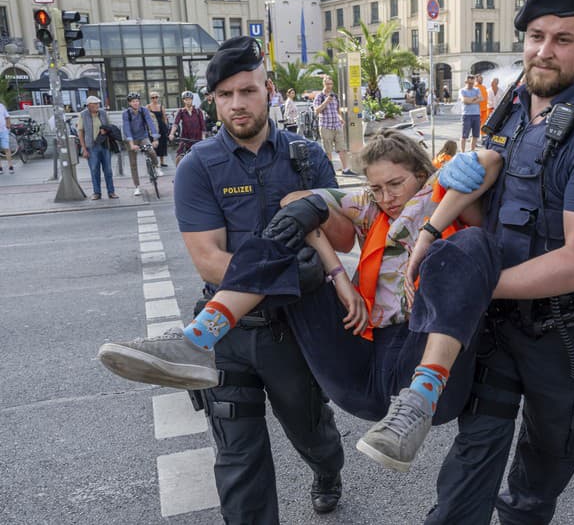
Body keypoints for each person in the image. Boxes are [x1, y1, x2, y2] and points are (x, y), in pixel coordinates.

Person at [98, 128, 502, 473]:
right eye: (377, 187)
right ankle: (199, 338)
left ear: (420, 173)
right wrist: (338, 275)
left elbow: (489, 160)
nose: (387, 196)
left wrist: (427, 236)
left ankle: (419, 399)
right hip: (364, 366)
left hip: (424, 358)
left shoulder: (441, 192)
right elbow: (294, 202)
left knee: (471, 242)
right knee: (294, 226)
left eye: (395, 184)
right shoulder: (368, 206)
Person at [422, 0, 574, 525]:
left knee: (533, 490)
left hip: (563, 338)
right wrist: (435, 228)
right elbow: (487, 199)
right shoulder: (513, 104)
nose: (544, 51)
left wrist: (473, 285)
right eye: (535, 35)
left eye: (563, 39)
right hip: (498, 327)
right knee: (466, 477)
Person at [99, 37, 345, 520]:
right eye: (226, 94)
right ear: (213, 99)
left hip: (295, 331)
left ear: (268, 90)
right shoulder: (198, 166)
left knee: (311, 433)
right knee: (238, 459)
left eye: (248, 91)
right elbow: (209, 261)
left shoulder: (306, 154)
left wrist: (318, 203)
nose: (238, 104)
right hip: (231, 334)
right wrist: (290, 273)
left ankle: (327, 470)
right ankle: (193, 343)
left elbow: (344, 241)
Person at [77, 96, 118, 200]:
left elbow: (110, 127)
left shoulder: (103, 113)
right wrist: (84, 149)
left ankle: (111, 192)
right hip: (91, 147)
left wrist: (106, 130)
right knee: (94, 170)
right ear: (89, 106)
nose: (97, 106)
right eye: (94, 104)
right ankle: (97, 192)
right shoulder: (83, 115)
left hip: (105, 145)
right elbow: (80, 132)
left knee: (108, 170)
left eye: (98, 104)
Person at [314, 76, 357, 175]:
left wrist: (340, 118)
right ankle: (330, 171)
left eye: (331, 84)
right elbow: (316, 111)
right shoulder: (319, 96)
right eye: (327, 84)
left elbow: (337, 109)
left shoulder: (335, 96)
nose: (329, 86)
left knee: (342, 148)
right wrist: (326, 101)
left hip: (337, 126)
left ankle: (345, 169)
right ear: (323, 84)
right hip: (326, 126)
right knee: (328, 150)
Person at [122, 92, 161, 196]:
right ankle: (137, 187)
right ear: (129, 103)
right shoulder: (126, 113)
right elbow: (127, 128)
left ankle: (157, 166)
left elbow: (150, 123)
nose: (136, 103)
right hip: (132, 139)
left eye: (137, 101)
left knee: (151, 151)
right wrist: (131, 144)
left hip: (143, 136)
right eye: (133, 101)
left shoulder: (144, 110)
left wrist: (155, 138)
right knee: (133, 163)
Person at [169, 91, 206, 166]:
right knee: (179, 156)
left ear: (192, 100)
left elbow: (203, 126)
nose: (188, 101)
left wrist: (203, 138)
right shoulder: (181, 111)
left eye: (189, 99)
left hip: (197, 139)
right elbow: (176, 123)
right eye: (186, 99)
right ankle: (178, 175)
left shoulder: (198, 111)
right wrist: (171, 133)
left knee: (202, 158)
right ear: (183, 100)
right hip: (185, 139)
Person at [458, 75, 482, 152]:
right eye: (469, 83)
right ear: (466, 82)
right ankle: (463, 152)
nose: (471, 84)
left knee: (475, 135)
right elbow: (464, 101)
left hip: (476, 114)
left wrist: (470, 101)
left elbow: (481, 98)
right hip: (466, 115)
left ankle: (472, 150)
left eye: (472, 83)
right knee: (464, 135)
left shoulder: (477, 89)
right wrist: (475, 98)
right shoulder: (462, 90)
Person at [146, 91, 169, 167]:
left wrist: (166, 127)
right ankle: (154, 162)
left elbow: (164, 118)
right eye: (153, 97)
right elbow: (146, 118)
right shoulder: (148, 107)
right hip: (153, 128)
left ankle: (162, 162)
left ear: (158, 98)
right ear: (150, 98)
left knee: (162, 144)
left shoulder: (161, 106)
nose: (154, 99)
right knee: (153, 145)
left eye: (156, 97)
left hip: (161, 127)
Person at [0, 101, 12, 174]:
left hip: (3, 130)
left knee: (6, 148)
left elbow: (7, 117)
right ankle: (0, 167)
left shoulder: (1, 106)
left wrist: (8, 126)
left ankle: (10, 166)